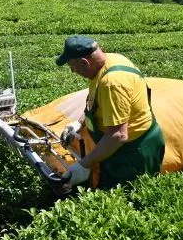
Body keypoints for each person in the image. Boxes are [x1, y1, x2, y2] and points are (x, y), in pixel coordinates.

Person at [57, 35, 165, 189]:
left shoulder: (112, 84)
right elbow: (99, 103)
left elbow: (118, 135)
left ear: (84, 62)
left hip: (133, 152)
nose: (73, 71)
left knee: (128, 199)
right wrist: (79, 122)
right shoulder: (109, 61)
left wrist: (84, 165)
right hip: (118, 148)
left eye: (72, 66)